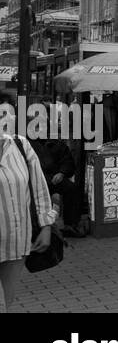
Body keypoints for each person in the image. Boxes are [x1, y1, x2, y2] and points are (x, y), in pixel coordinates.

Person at [1, 127, 56, 313]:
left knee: (7, 302)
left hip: (17, 243)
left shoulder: (19, 145)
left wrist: (46, 225)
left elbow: (38, 186)